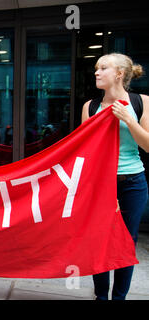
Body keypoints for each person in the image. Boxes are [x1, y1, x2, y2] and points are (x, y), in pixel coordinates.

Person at [81, 53, 149, 300]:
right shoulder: (90, 107)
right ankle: (101, 296)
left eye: (103, 68)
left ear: (119, 74)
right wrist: (105, 190)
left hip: (133, 182)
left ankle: (118, 297)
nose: (97, 72)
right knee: (99, 240)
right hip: (101, 184)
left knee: (125, 242)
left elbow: (148, 145)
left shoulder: (142, 102)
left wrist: (128, 119)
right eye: (96, 69)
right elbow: (86, 152)